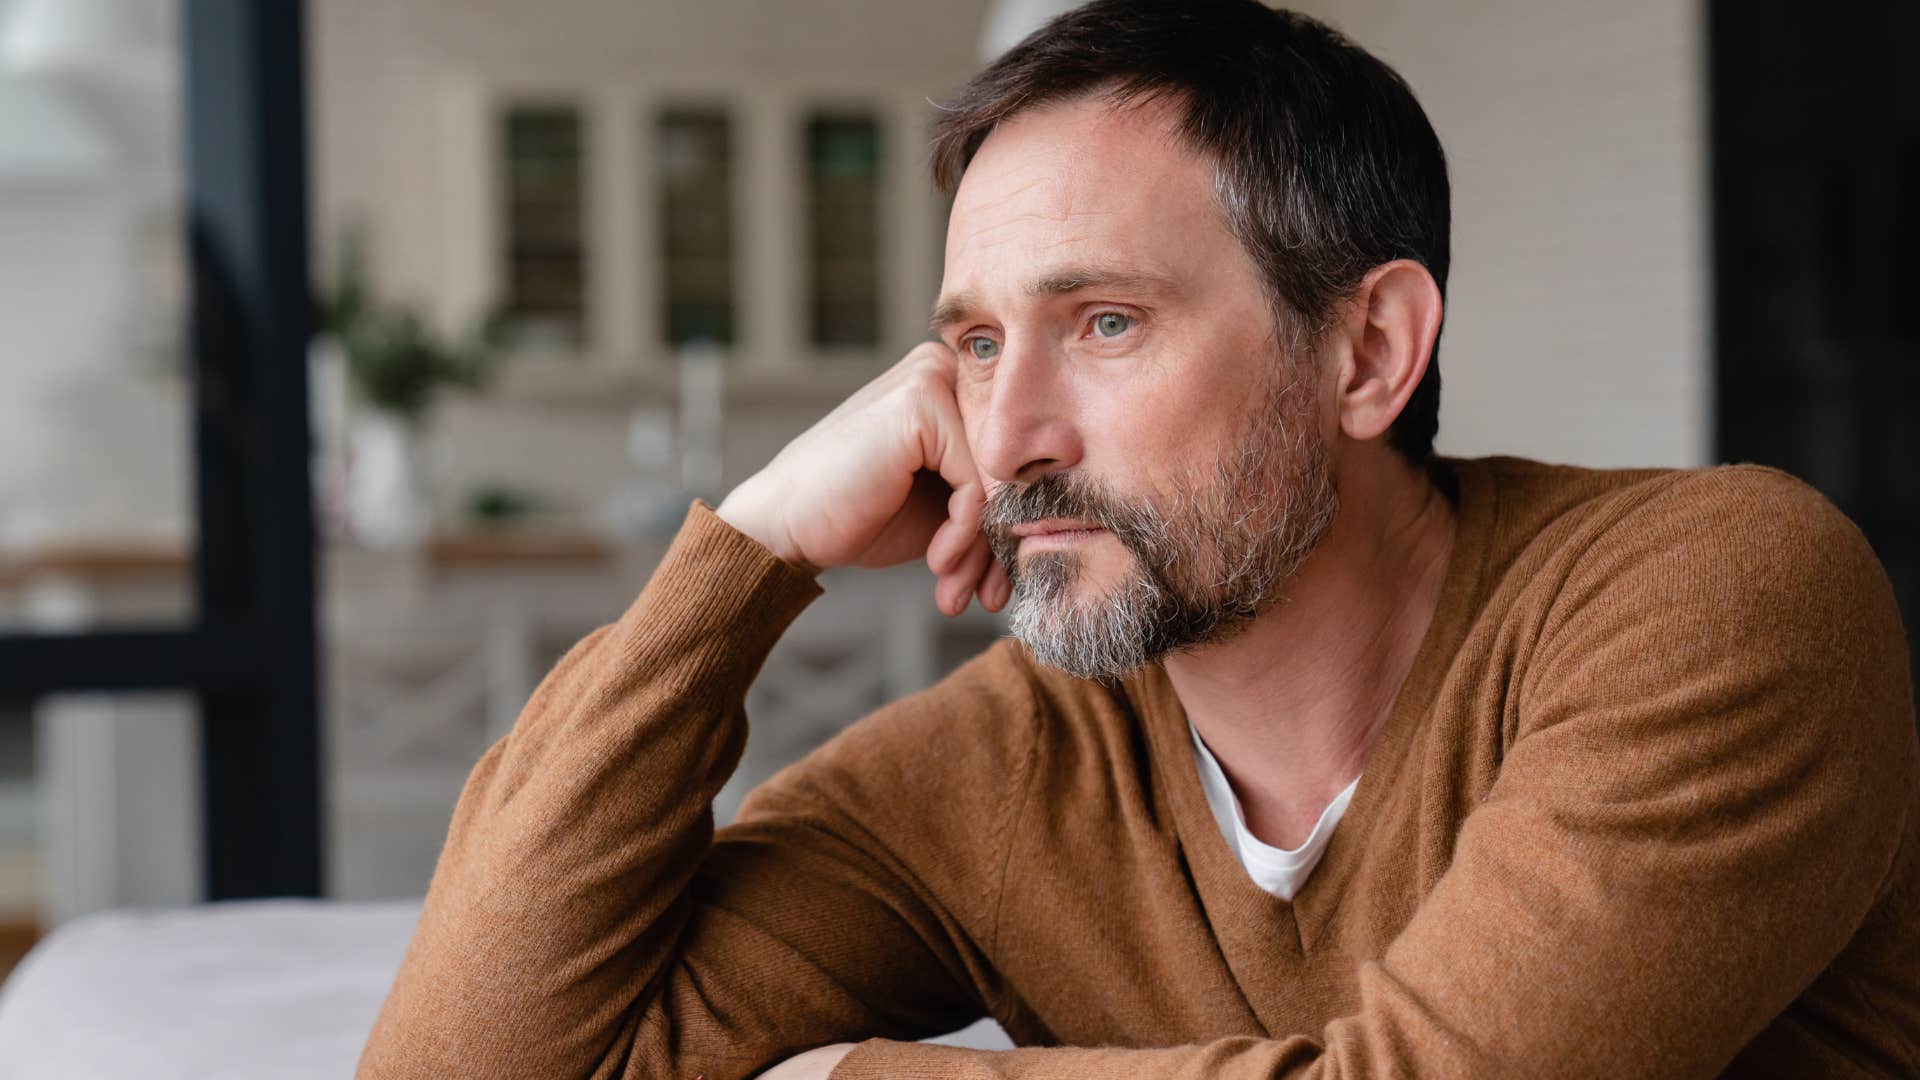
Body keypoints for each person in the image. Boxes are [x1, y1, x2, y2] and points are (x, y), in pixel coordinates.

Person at [357, 2, 1920, 1077]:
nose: (1007, 431)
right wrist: (751, 553)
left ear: (1368, 352)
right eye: (971, 344)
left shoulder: (1718, 594)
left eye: (1104, 322)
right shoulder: (1005, 771)